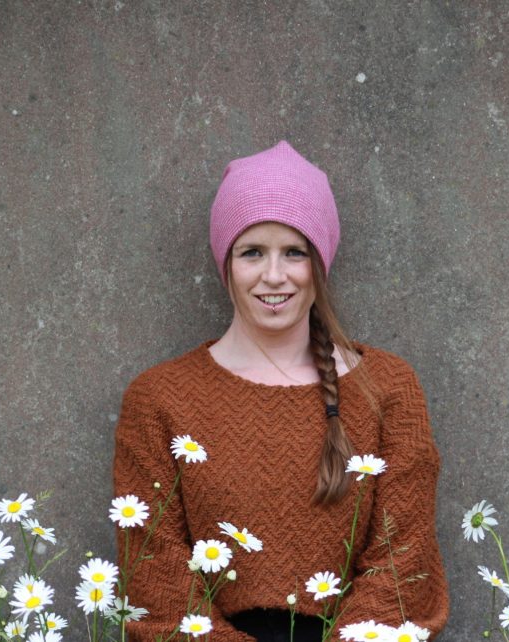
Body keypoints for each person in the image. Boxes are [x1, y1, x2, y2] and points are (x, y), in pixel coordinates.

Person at [113, 141, 449, 642]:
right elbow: (154, 580)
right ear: (226, 262)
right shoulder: (158, 399)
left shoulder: (388, 389)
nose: (274, 275)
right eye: (252, 252)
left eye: (294, 252)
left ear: (320, 261)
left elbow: (405, 562)